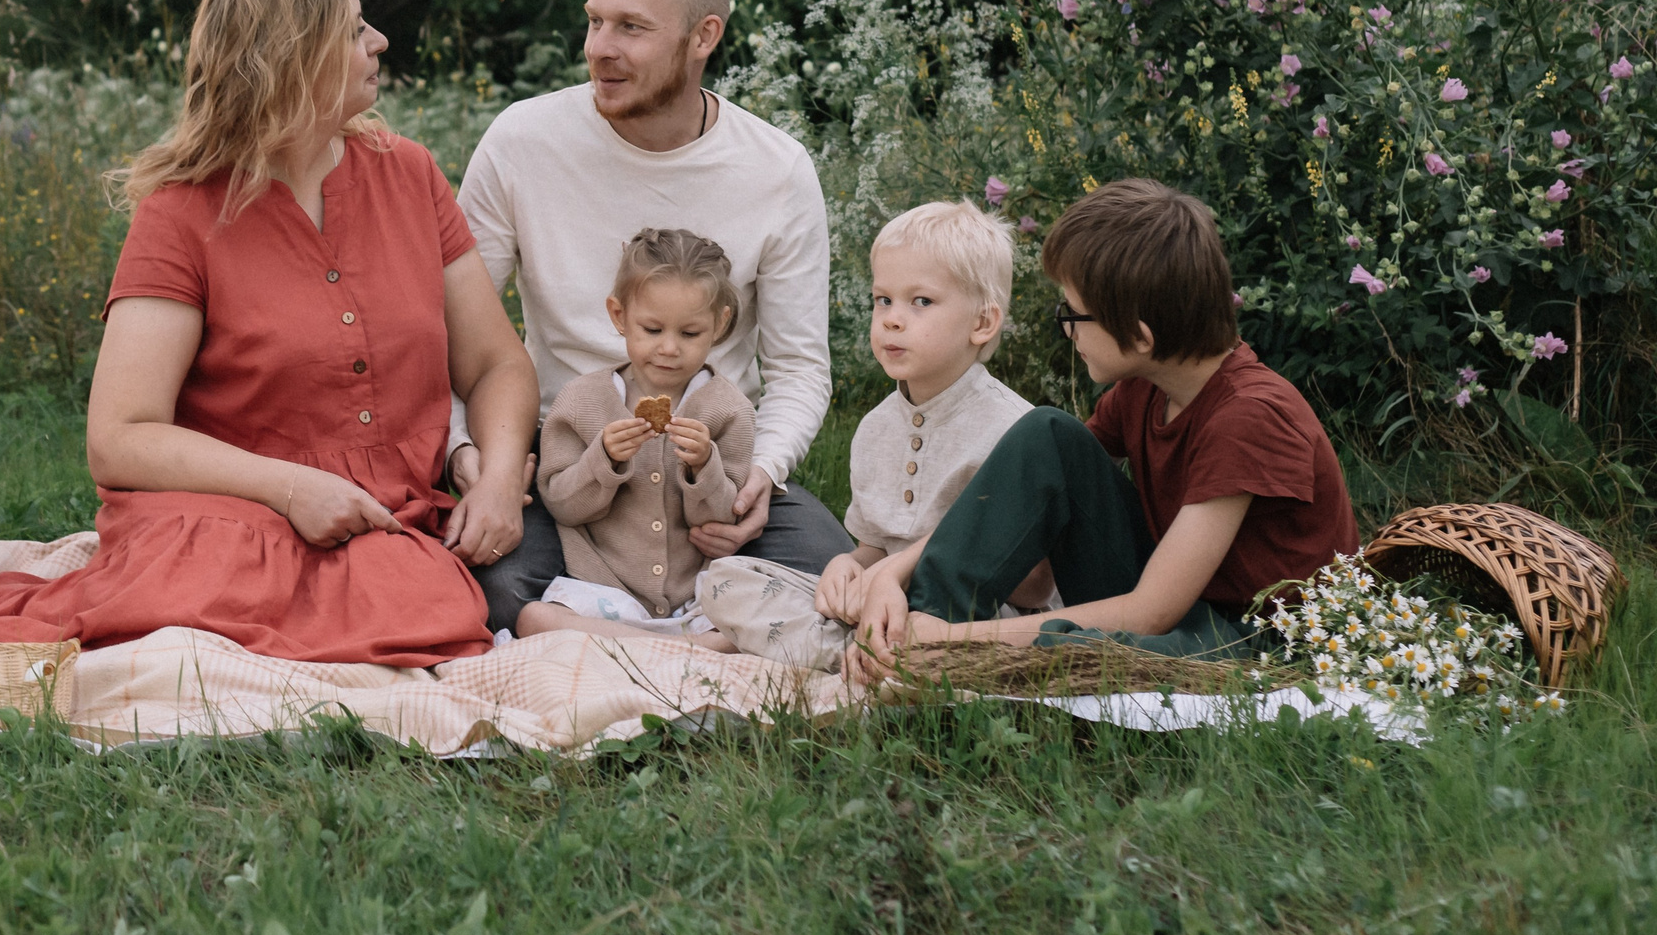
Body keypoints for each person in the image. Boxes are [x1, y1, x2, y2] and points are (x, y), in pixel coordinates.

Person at [0, 0, 538, 665]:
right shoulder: (182, 212)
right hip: (228, 506)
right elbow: (121, 435)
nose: (378, 41)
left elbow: (494, 364)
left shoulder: (410, 175)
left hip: (389, 512)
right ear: (296, 57)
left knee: (414, 600)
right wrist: (291, 489)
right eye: (355, 30)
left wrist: (503, 476)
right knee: (213, 586)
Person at [454, 0, 848, 633]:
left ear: (703, 37)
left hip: (710, 468)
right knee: (484, 584)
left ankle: (613, 637)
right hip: (565, 463)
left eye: (631, 27)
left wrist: (761, 474)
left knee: (837, 579)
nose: (599, 46)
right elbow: (446, 337)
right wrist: (475, 460)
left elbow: (797, 369)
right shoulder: (522, 141)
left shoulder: (777, 170)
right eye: (594, 21)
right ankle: (701, 639)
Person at [839, 179, 1357, 680]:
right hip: (1177, 608)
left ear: (1138, 335)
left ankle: (935, 646)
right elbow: (1026, 488)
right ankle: (918, 624)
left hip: (1255, 641)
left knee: (1094, 648)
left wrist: (964, 640)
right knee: (1046, 433)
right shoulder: (1144, 387)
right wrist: (893, 569)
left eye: (1073, 314)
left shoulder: (1250, 417)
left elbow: (1152, 612)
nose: (1065, 329)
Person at [702, 200, 1037, 667]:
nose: (893, 319)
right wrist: (847, 566)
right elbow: (876, 547)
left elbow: (1033, 583)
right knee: (723, 579)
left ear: (982, 323)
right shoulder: (875, 427)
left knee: (951, 627)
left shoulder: (1015, 430)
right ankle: (859, 651)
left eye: (921, 301)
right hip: (875, 604)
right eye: (884, 300)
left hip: (966, 612)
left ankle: (851, 652)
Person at [522, 228, 752, 640]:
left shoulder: (728, 409)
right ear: (619, 316)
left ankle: (658, 646)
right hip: (604, 590)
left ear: (719, 324)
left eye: (689, 333)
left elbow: (722, 517)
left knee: (753, 620)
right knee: (533, 619)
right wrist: (603, 459)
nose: (668, 348)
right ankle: (674, 648)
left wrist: (705, 466)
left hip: (693, 594)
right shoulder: (582, 401)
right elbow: (562, 505)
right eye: (652, 329)